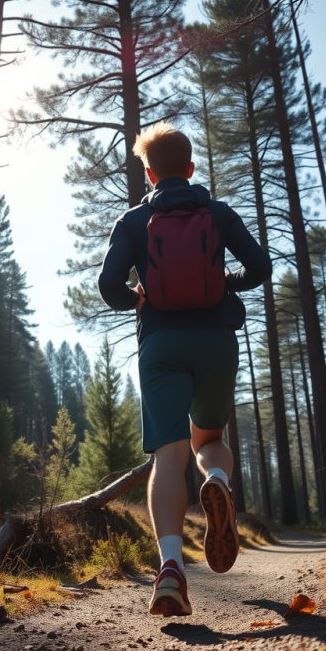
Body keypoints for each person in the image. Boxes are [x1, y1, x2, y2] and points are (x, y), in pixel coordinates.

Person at [98, 121, 271, 617]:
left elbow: (109, 285)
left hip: (161, 343)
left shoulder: (133, 221)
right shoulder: (218, 213)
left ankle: (171, 569)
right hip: (216, 339)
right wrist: (221, 283)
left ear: (149, 173)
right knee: (207, 439)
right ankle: (216, 476)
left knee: (168, 456)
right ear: (190, 169)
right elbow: (259, 268)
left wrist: (141, 297)